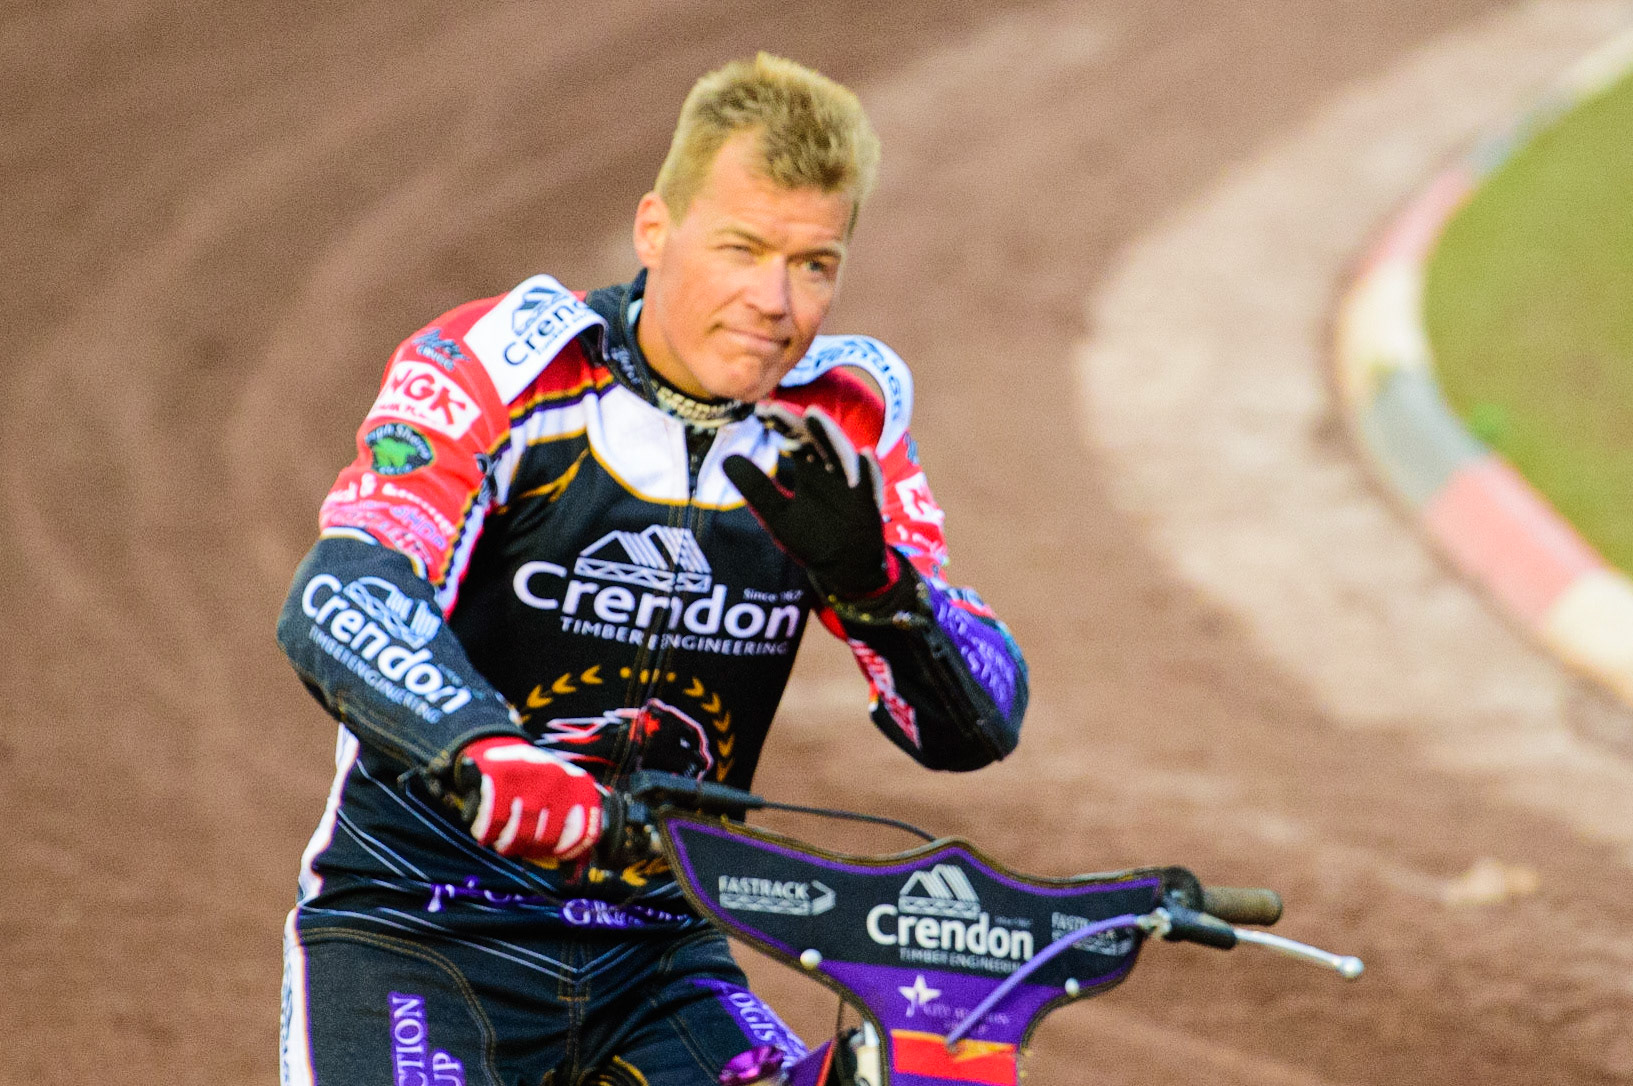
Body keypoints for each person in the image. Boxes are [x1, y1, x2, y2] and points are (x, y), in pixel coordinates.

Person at [275, 52, 1027, 1086]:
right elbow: (339, 595)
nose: (776, 301)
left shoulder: (839, 422)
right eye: (743, 248)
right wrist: (482, 749)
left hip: (661, 959)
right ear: (654, 230)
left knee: (931, 1071)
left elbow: (973, 728)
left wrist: (886, 598)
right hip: (423, 928)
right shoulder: (508, 366)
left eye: (813, 264)